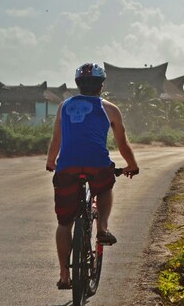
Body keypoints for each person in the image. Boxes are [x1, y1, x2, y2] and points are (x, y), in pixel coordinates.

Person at [46, 62, 139, 290]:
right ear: (101, 85)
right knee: (105, 187)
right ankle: (102, 230)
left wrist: (51, 162)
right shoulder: (110, 109)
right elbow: (123, 144)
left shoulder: (63, 107)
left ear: (78, 84)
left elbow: (56, 139)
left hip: (67, 167)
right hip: (97, 164)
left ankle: (64, 275)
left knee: (64, 223)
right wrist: (132, 165)